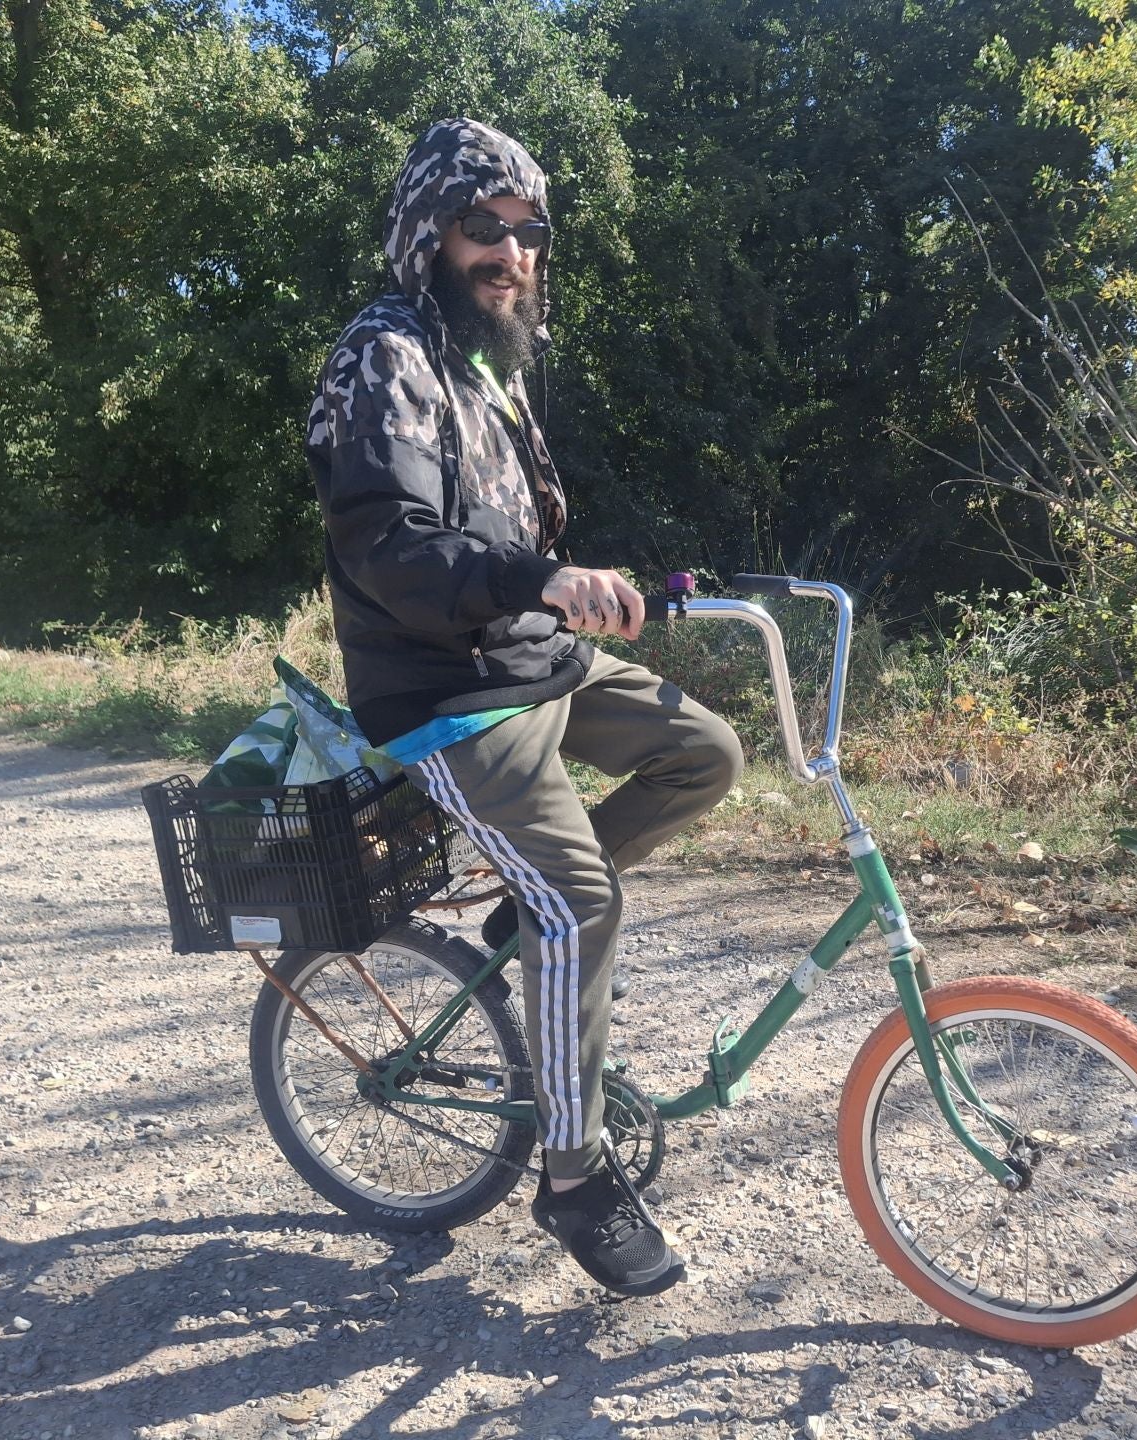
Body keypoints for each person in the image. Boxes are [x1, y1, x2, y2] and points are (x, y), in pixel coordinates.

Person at [305, 117, 743, 1296]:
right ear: (427, 234)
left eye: (527, 229)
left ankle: (525, 915)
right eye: (481, 227)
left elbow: (517, 538)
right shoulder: (385, 356)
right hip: (444, 693)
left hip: (530, 661)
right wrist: (538, 582)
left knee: (705, 752)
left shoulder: (487, 364)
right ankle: (574, 1177)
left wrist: (577, 586)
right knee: (584, 902)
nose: (511, 251)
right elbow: (391, 543)